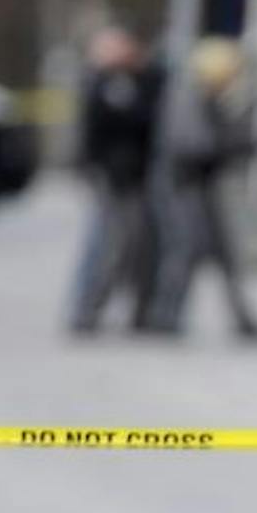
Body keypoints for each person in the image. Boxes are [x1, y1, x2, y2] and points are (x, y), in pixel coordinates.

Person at [145, 37, 257, 339]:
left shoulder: (206, 97)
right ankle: (165, 316)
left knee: (225, 255)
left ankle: (243, 320)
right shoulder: (186, 98)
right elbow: (195, 148)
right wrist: (240, 146)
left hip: (201, 186)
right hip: (181, 186)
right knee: (183, 250)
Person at [66, 26, 164, 334]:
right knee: (107, 247)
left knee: (134, 247)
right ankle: (86, 311)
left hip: (132, 176)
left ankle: (129, 311)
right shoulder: (104, 84)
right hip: (113, 177)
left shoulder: (132, 81)